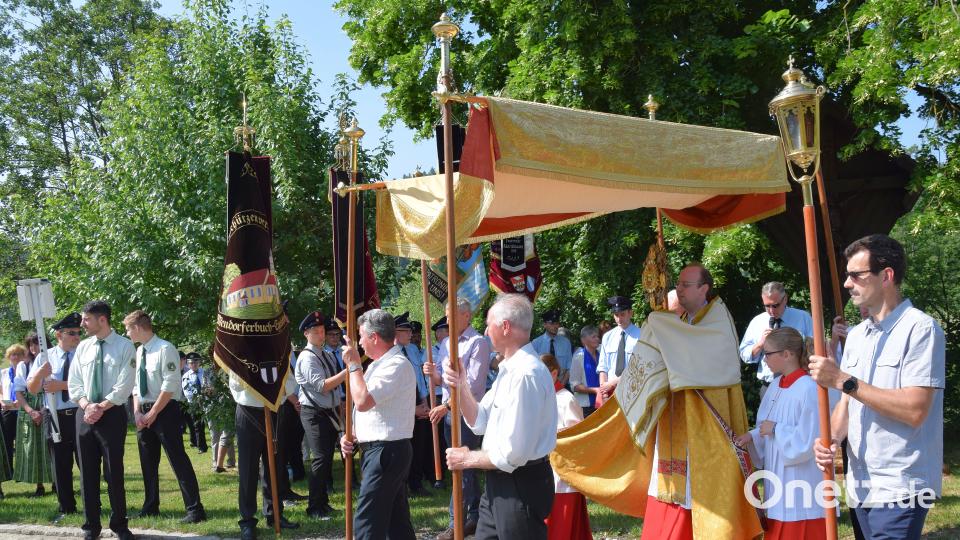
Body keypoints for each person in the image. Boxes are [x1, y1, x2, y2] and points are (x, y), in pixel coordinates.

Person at [810, 234, 945, 540]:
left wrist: (842, 380)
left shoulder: (921, 329)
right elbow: (847, 403)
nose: (847, 283)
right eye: (846, 275)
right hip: (861, 485)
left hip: (901, 484)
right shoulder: (856, 336)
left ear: (886, 276)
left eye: (856, 275)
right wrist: (830, 438)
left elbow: (914, 410)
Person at [443, 293, 557, 539]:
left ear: (505, 327)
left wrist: (467, 459)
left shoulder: (526, 374)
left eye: (488, 323)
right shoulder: (510, 370)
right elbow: (479, 421)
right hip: (499, 483)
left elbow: (512, 453)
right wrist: (461, 384)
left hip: (520, 483)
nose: (485, 331)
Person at [735, 328, 828, 540]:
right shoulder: (776, 385)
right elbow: (766, 426)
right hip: (778, 477)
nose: (763, 358)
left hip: (801, 482)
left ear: (787, 354)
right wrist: (753, 436)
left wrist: (776, 429)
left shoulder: (808, 388)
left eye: (768, 354)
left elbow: (810, 438)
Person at [339, 308, 417, 540]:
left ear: (374, 337)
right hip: (381, 450)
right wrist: (350, 434)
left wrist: (354, 365)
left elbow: (363, 401)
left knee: (367, 524)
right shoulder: (378, 364)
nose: (359, 342)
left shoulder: (396, 365)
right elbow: (370, 411)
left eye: (362, 336)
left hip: (387, 451)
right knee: (397, 523)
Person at [124, 310, 206, 523]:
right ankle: (151, 506)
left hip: (165, 411)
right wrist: (137, 412)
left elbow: (170, 385)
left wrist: (153, 412)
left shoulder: (165, 348)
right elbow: (135, 386)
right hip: (144, 412)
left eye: (128, 329)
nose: (127, 334)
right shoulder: (139, 352)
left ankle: (195, 509)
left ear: (139, 327)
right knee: (147, 462)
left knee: (177, 458)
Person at [67, 300, 136, 540]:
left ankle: (119, 525)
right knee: (87, 472)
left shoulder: (125, 347)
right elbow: (74, 382)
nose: (82, 324)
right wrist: (87, 405)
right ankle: (90, 526)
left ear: (102, 320)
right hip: (84, 415)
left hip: (112, 414)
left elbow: (125, 383)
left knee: (113, 471)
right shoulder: (83, 348)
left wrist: (102, 406)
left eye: (86, 319)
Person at [424, 298, 492, 539]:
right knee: (464, 467)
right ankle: (474, 517)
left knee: (461, 467)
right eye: (446, 314)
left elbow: (471, 387)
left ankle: (457, 523)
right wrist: (433, 375)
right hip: (449, 413)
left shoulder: (478, 343)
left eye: (452, 314)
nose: (448, 320)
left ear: (466, 316)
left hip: (467, 414)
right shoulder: (445, 344)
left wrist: (445, 406)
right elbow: (443, 381)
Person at [230, 351, 301, 540]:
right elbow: (236, 383)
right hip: (248, 411)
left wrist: (275, 392)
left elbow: (291, 382)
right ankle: (247, 521)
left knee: (275, 466)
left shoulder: (276, 348)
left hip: (274, 409)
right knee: (248, 468)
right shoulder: (240, 350)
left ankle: (274, 514)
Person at [26, 312, 83, 519]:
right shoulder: (45, 356)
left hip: (79, 412)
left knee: (85, 460)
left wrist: (62, 385)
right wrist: (41, 374)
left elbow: (89, 384)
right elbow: (32, 389)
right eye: (71, 333)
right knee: (59, 462)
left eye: (78, 332)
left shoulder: (83, 353)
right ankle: (66, 506)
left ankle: (92, 503)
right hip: (55, 414)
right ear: (59, 335)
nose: (77, 336)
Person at [295, 310, 346, 520]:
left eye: (322, 330)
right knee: (320, 458)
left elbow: (334, 390)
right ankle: (314, 507)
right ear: (306, 334)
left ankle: (323, 503)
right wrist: (347, 372)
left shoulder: (324, 354)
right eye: (315, 331)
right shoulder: (307, 358)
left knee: (325, 458)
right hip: (313, 413)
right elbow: (322, 386)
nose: (320, 334)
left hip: (328, 411)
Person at [541, 353, 592, 540]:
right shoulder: (540, 397)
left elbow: (576, 435)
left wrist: (554, 434)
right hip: (542, 469)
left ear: (554, 374)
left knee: (562, 524)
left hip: (561, 473)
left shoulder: (565, 399)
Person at [738, 282, 814, 397]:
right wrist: (761, 344)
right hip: (768, 388)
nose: (771, 311)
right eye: (767, 306)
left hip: (798, 385)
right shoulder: (757, 322)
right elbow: (744, 354)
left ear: (785, 299)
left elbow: (814, 349)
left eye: (775, 305)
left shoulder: (803, 318)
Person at [393, 311, 432, 497]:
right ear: (395, 332)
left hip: (418, 399)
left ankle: (416, 483)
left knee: (419, 444)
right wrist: (411, 409)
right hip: (401, 404)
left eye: (410, 331)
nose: (410, 334)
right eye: (405, 331)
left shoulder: (413, 350)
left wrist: (424, 403)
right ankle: (402, 484)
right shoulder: (390, 354)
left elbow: (420, 379)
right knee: (404, 447)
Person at [13, 332, 52, 497]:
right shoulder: (24, 365)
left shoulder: (52, 362)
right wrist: (31, 411)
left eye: (36, 344)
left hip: (49, 407)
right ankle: (39, 485)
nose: (33, 348)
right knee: (33, 448)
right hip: (30, 409)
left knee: (51, 447)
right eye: (30, 345)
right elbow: (19, 392)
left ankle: (58, 482)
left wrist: (44, 411)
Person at [595, 296, 641, 407]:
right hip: (609, 393)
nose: (619, 319)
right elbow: (603, 367)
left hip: (632, 390)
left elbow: (639, 368)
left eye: (622, 314)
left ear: (631, 313)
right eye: (616, 315)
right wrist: (604, 389)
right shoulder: (607, 337)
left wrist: (612, 383)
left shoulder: (641, 335)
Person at [1, 345, 26, 481]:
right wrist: (2, 402)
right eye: (13, 354)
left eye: (18, 354)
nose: (15, 357)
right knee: (7, 443)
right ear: (9, 357)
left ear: (23, 356)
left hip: (22, 409)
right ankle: (10, 471)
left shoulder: (25, 371)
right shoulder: (3, 373)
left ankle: (22, 472)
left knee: (22, 442)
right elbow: (0, 391)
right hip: (7, 411)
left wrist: (20, 401)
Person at [532, 309, 573, 386]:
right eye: (552, 323)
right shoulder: (536, 343)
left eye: (557, 323)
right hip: (542, 385)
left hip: (562, 384)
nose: (556, 326)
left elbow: (570, 367)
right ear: (544, 324)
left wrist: (561, 385)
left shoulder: (565, 342)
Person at [569, 325, 601, 417]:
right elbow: (575, 386)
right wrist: (595, 390)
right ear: (584, 340)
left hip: (604, 401)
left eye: (597, 336)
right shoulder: (578, 357)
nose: (597, 339)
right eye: (593, 337)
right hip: (586, 406)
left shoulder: (602, 352)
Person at [181, 354, 207, 453]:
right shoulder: (186, 376)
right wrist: (197, 400)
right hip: (194, 404)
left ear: (199, 363)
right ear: (188, 364)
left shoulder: (204, 373)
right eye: (191, 363)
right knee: (197, 426)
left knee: (211, 425)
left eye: (196, 362)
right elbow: (187, 393)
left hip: (207, 402)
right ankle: (201, 447)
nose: (194, 364)